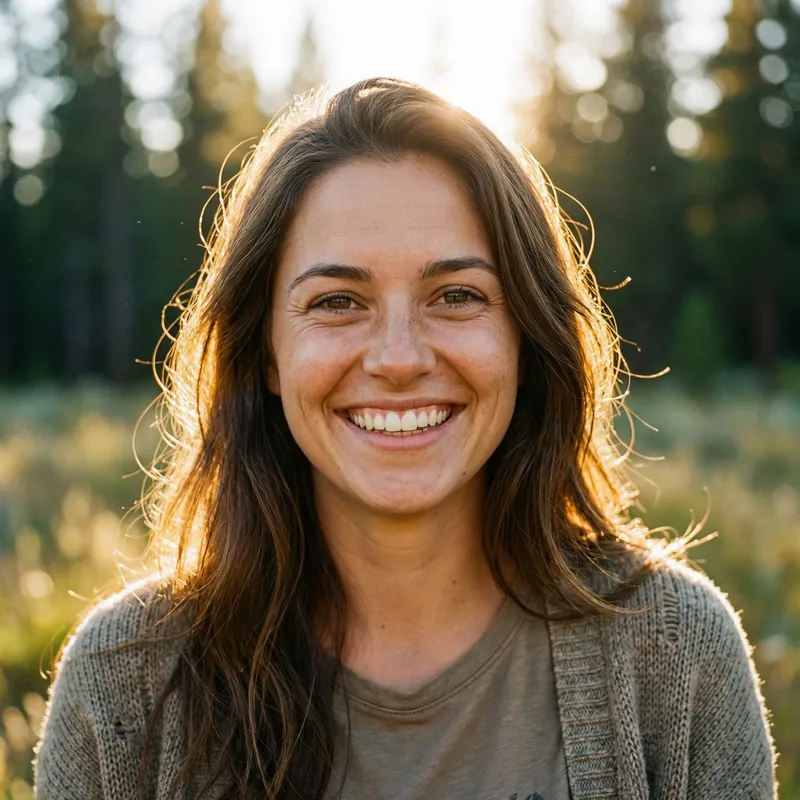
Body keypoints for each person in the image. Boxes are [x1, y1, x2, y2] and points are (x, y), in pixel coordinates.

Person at [33, 77, 777, 800]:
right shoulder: (125, 679)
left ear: (525, 334)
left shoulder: (676, 652)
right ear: (265, 354)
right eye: (337, 302)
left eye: (457, 296)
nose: (398, 359)